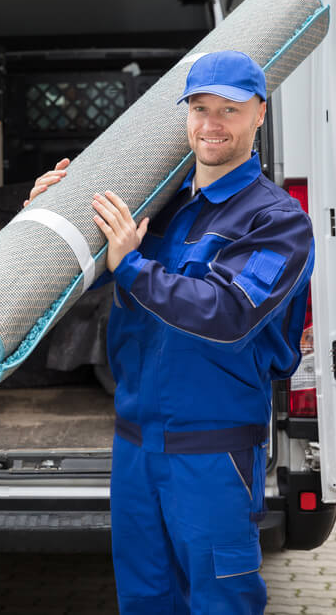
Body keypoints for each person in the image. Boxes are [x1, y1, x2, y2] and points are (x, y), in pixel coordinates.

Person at [28, 50, 313, 613]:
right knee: (145, 598)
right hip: (135, 444)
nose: (211, 125)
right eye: (200, 108)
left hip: (213, 451)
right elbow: (76, 284)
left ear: (260, 113)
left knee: (219, 601)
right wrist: (45, 220)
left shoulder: (276, 220)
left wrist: (130, 264)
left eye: (228, 110)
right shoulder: (161, 203)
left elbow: (228, 313)